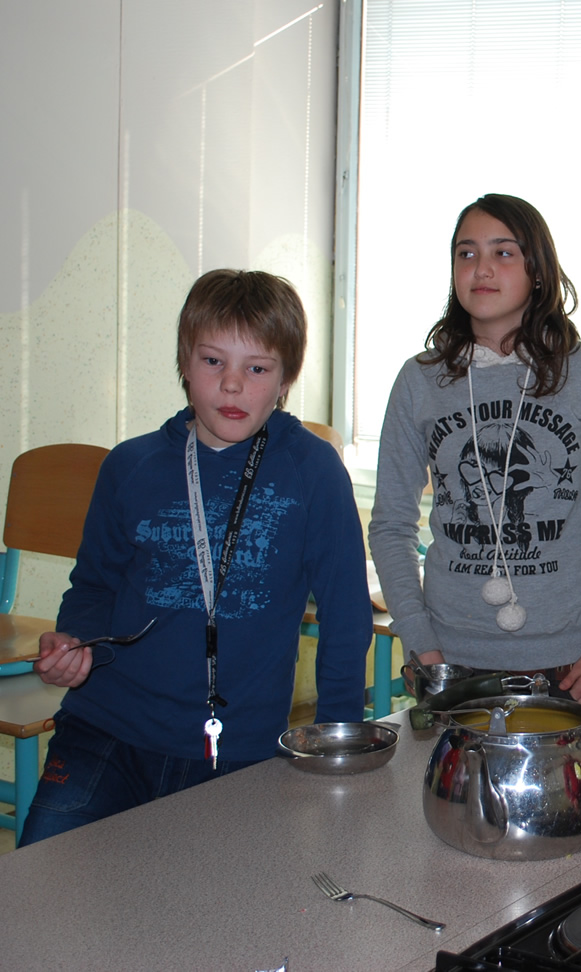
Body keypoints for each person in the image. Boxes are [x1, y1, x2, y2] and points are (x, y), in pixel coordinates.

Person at [22, 269, 374, 845]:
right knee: (39, 884)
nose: (232, 385)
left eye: (256, 369)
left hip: (240, 750)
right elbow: (93, 586)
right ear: (184, 362)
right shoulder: (129, 465)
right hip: (107, 731)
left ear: (285, 378)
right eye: (213, 361)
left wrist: (338, 745)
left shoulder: (313, 471)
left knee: (215, 901)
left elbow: (345, 618)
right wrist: (76, 644)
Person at [369, 194, 581, 706]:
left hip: (572, 658)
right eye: (466, 253)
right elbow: (390, 525)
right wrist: (420, 641)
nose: (481, 269)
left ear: (537, 271)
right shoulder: (419, 380)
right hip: (450, 657)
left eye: (503, 252)